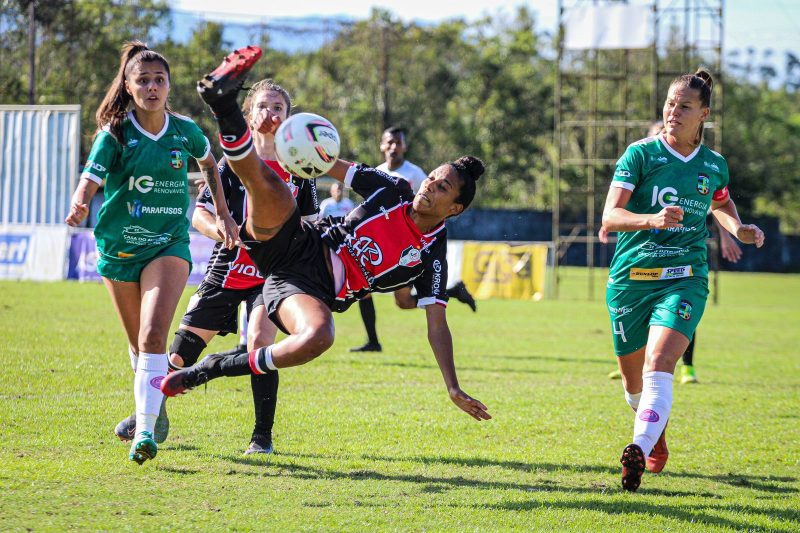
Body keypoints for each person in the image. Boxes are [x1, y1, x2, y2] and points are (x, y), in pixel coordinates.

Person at [160, 46, 491, 426]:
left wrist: (452, 387)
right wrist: (296, 145)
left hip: (312, 291)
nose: (429, 186)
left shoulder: (433, 254)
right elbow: (331, 163)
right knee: (270, 186)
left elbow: (437, 325)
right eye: (432, 177)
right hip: (304, 244)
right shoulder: (393, 188)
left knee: (319, 337)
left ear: (455, 208)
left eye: (442, 187)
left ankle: (213, 369)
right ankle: (223, 105)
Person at [115, 79, 319, 455]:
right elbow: (201, 214)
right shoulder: (231, 164)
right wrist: (224, 230)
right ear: (248, 115)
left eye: (278, 108)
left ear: (288, 118)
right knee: (178, 355)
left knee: (259, 341)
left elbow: (311, 222)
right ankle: (149, 414)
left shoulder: (301, 168)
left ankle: (262, 437)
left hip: (274, 276)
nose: (270, 114)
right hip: (229, 269)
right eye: (263, 106)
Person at [65, 41, 237, 465]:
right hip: (120, 248)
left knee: (153, 336)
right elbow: (91, 176)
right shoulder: (117, 132)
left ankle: (145, 432)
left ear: (169, 86)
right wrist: (80, 200)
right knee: (139, 348)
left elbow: (211, 165)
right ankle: (153, 410)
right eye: (143, 80)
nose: (152, 87)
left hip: (168, 245)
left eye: (159, 80)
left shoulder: (185, 131)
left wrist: (226, 216)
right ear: (128, 86)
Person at [602, 69, 764, 491]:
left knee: (661, 363)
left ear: (703, 114)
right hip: (630, 280)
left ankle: (636, 447)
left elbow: (721, 203)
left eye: (684, 106)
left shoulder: (714, 164)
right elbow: (610, 216)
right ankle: (656, 441)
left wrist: (739, 228)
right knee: (633, 383)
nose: (674, 112)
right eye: (670, 104)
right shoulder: (639, 154)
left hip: (684, 277)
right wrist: (649, 219)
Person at [350, 127, 478, 353]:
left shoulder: (417, 174)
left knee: (403, 302)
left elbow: (435, 211)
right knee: (366, 289)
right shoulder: (379, 171)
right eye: (389, 142)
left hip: (407, 253)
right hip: (380, 243)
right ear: (381, 145)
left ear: (404, 147)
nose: (393, 147)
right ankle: (373, 340)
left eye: (398, 143)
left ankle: (449, 292)